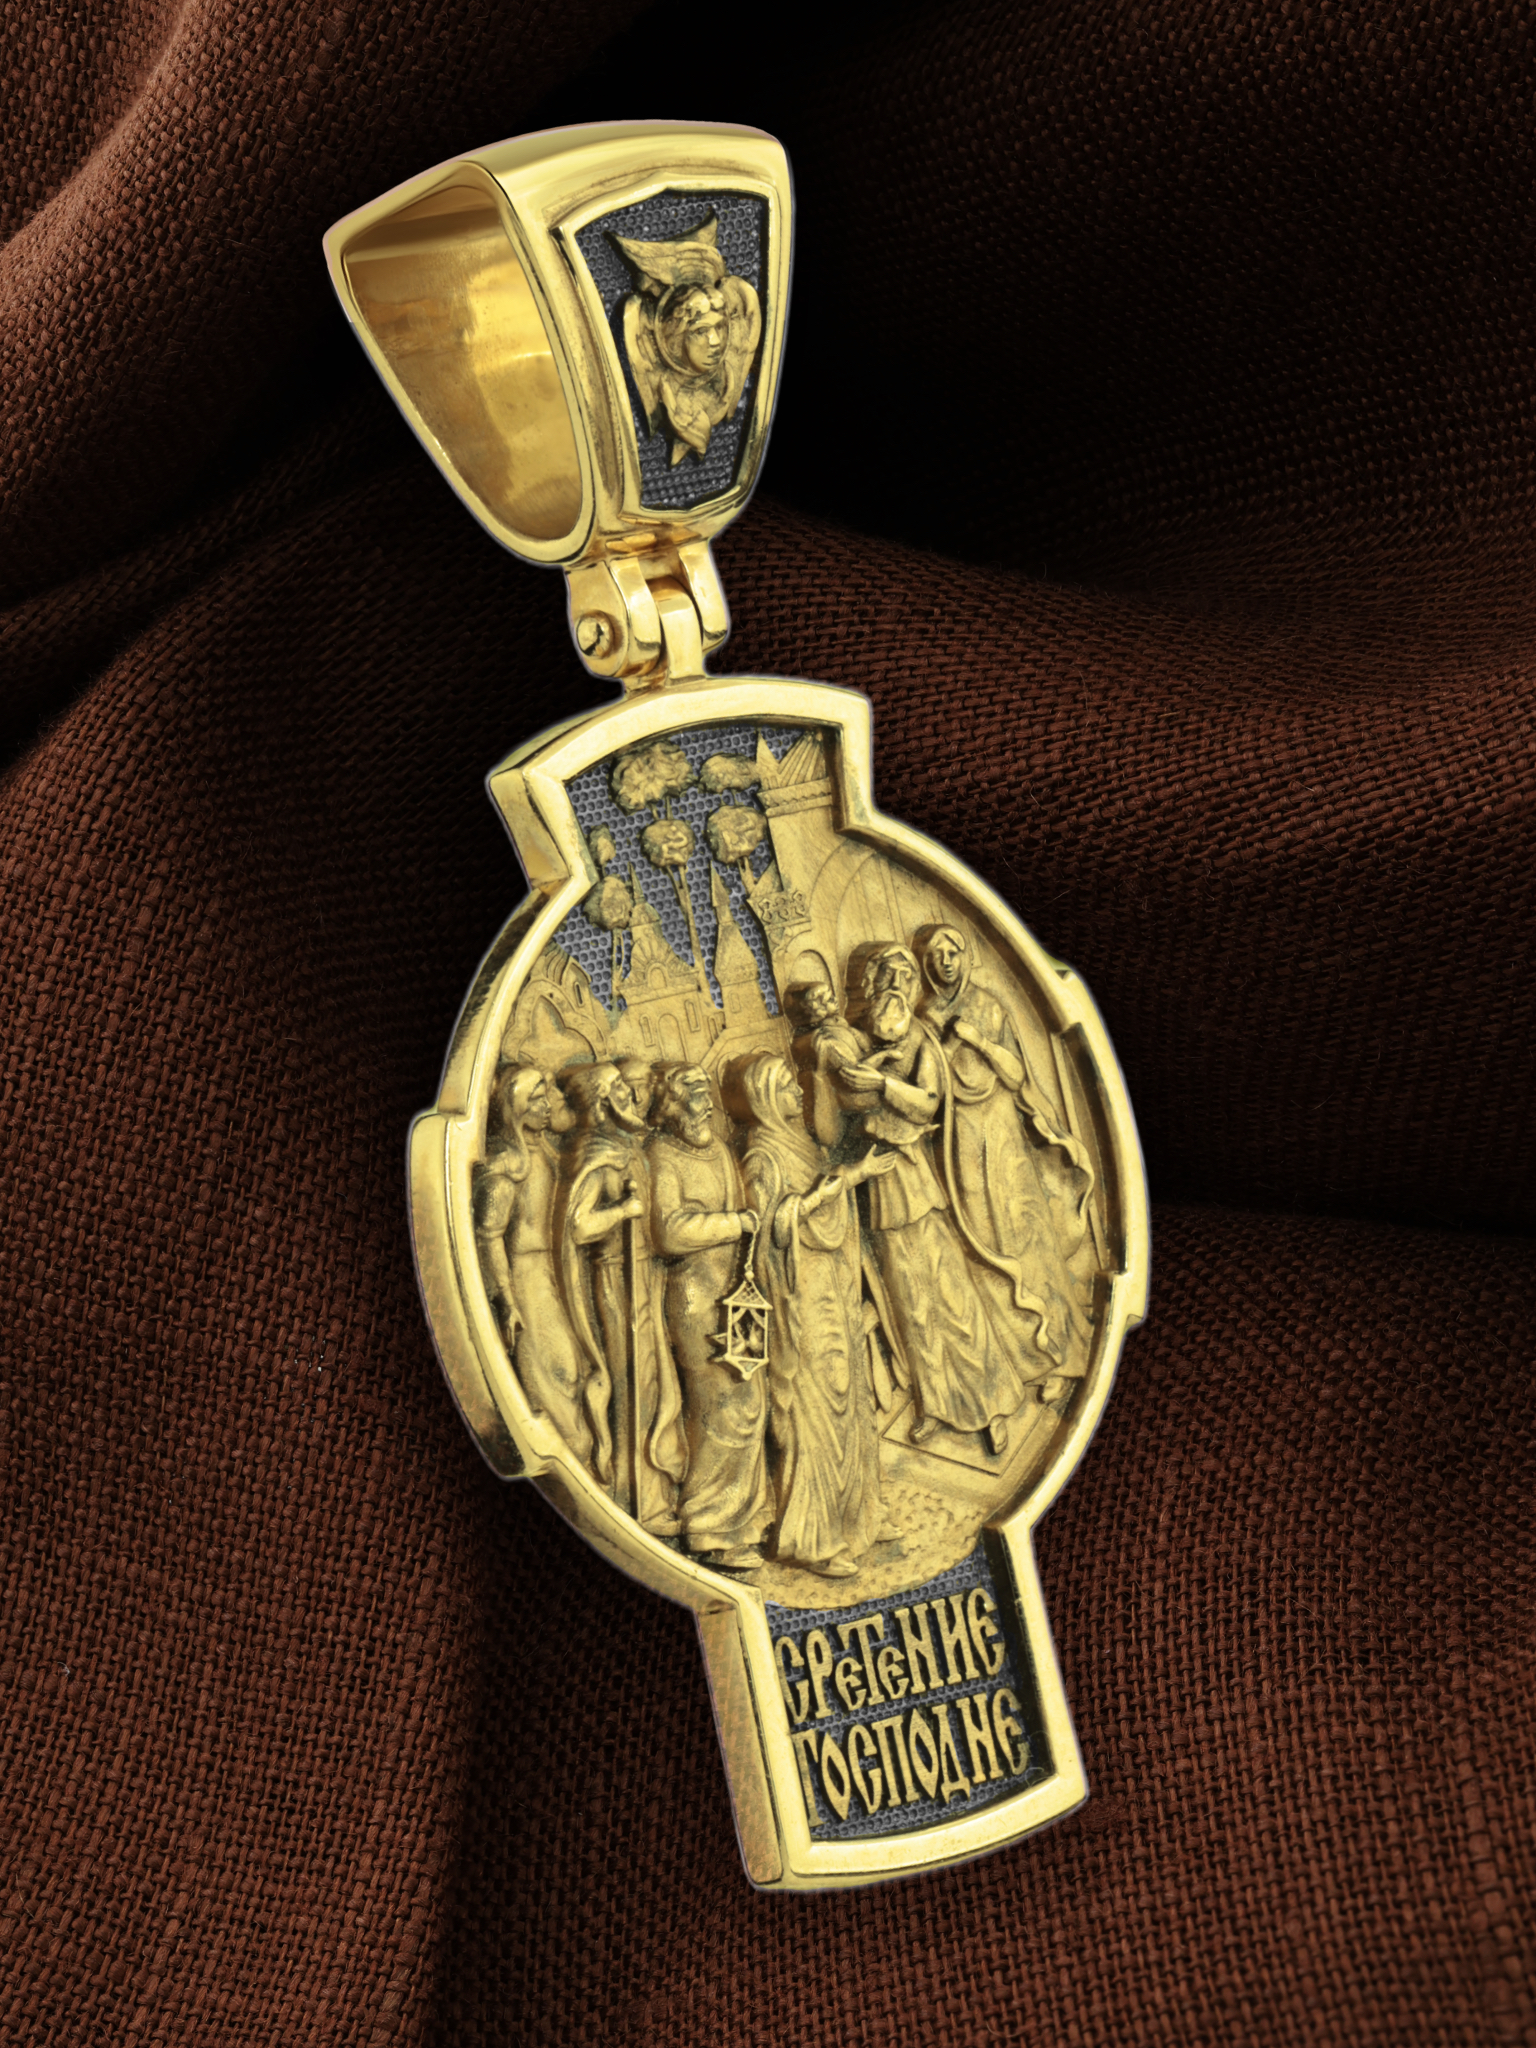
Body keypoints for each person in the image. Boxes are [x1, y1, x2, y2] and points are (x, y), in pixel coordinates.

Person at [723, 1051, 898, 1578]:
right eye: (785, 1086)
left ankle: (860, 1514)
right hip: (798, 1297)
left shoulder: (798, 1142)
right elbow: (767, 1229)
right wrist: (824, 1194)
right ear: (762, 1099)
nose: (797, 1092)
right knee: (816, 1407)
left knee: (850, 1395)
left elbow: (824, 1194)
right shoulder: (760, 1158)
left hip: (831, 1286)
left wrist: (850, 1176)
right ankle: (814, 1539)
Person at [842, 983, 1028, 1456]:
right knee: (912, 1308)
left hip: (916, 1186)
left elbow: (927, 1102)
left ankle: (993, 1407)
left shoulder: (920, 1045)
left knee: (954, 1300)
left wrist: (882, 1088)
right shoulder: (858, 1054)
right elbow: (847, 1117)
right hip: (879, 1190)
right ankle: (936, 1406)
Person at [916, 923, 1095, 1401]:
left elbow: (1016, 1077)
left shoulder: (988, 1006)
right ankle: (1024, 1362)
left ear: (965, 956)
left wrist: (976, 1040)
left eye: (952, 951)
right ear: (926, 965)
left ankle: (1067, 1355)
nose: (945, 961)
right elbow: (930, 1088)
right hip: (960, 1139)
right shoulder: (926, 1016)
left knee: (1026, 1237)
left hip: (999, 1132)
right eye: (935, 955)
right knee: (985, 1245)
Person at [648, 1063, 769, 1569]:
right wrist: (735, 1222)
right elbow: (669, 1231)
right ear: (671, 1108)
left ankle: (745, 1521)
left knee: (750, 1398)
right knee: (718, 1406)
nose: (705, 1111)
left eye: (706, 1101)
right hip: (695, 1298)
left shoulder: (719, 1150)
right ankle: (707, 1525)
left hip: (736, 1293)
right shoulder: (660, 1156)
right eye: (693, 1101)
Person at [557, 1062, 684, 1535]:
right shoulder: (598, 1153)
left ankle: (654, 1495)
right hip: (618, 1278)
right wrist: (624, 1209)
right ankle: (639, 1504)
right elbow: (579, 1226)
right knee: (636, 1384)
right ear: (601, 1100)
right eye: (617, 1087)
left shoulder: (623, 1144)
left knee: (654, 1381)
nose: (629, 1094)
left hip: (644, 1272)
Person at [474, 1066, 596, 1468]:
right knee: (556, 1372)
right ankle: (569, 1458)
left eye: (546, 1097)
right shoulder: (507, 1164)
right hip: (527, 1280)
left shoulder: (548, 1153)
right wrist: (506, 1300)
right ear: (515, 1110)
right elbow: (488, 1236)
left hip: (554, 1274)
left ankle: (577, 1456)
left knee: (574, 1370)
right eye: (536, 1100)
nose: (547, 1107)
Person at [784, 979, 874, 1149]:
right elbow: (857, 1072)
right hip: (853, 1101)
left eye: (832, 995)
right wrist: (885, 1055)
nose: (835, 999)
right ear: (815, 1009)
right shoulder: (824, 1040)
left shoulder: (838, 1024)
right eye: (828, 999)